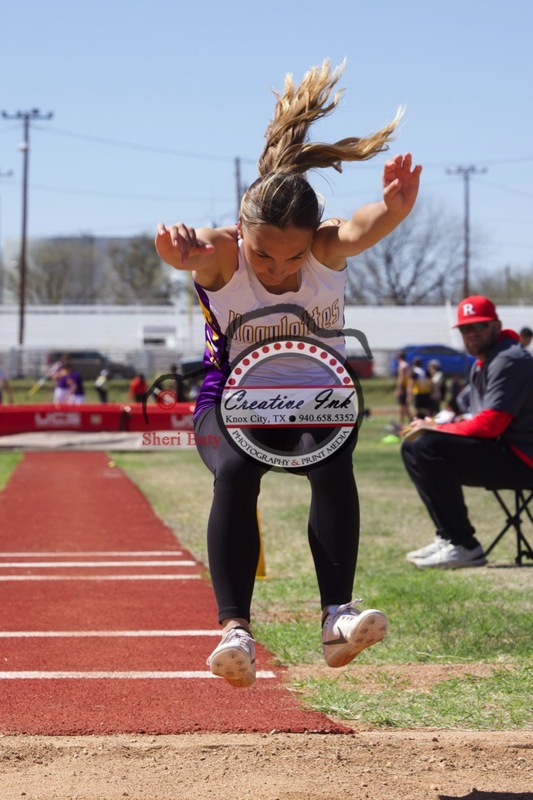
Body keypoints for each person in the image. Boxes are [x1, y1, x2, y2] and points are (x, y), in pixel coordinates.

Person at [155, 60, 422, 687]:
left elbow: (360, 226)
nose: (276, 271)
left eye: (293, 257)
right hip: (232, 403)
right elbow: (189, 253)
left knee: (333, 466)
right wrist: (175, 256)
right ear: (240, 234)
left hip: (315, 399)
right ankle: (235, 632)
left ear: (313, 241)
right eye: (263, 256)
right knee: (238, 470)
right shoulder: (224, 253)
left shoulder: (327, 248)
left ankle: (337, 619)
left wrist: (394, 209)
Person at [401, 295, 533, 570]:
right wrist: (437, 422)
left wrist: (436, 428)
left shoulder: (510, 358)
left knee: (428, 445)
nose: (471, 334)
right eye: (465, 329)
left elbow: (490, 424)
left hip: (525, 458)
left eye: (479, 326)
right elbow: (476, 417)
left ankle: (465, 545)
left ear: (496, 325)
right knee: (413, 446)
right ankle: (449, 537)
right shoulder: (485, 360)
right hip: (509, 451)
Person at [394, 351, 411, 424]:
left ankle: (401, 422)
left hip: (403, 387)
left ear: (398, 357)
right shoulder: (407, 365)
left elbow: (401, 378)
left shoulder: (402, 366)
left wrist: (398, 389)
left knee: (402, 406)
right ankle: (411, 419)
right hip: (407, 386)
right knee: (405, 406)